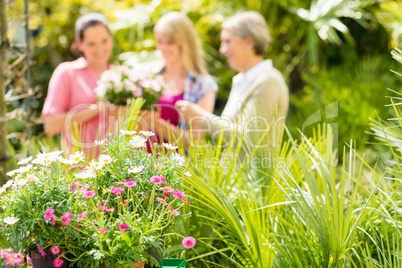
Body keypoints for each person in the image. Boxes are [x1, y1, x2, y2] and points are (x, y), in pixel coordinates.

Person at [175, 11, 289, 151]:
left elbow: (250, 140)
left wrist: (201, 116)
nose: (222, 50)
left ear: (249, 43)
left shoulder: (268, 81)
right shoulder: (243, 80)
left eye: (228, 42)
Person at [42, 12, 116, 157]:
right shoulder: (67, 73)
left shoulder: (123, 77)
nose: (100, 48)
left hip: (119, 171)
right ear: (79, 44)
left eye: (104, 41)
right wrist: (96, 109)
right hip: (80, 171)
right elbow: (51, 125)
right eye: (91, 43)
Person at [144, 12, 217, 145]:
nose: (163, 48)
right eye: (160, 42)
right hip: (139, 162)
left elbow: (195, 140)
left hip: (175, 164)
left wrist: (156, 125)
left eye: (170, 42)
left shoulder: (203, 86)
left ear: (184, 43)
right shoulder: (149, 77)